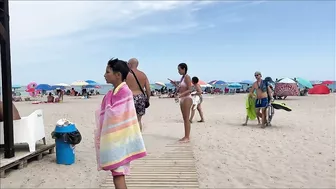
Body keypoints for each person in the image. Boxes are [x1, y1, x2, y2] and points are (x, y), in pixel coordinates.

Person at [95, 58, 146, 189]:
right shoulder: (112, 93)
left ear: (118, 75)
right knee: (117, 174)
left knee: (118, 175)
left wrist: (107, 107)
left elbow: (117, 115)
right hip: (115, 140)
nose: (104, 75)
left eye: (107, 72)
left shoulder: (125, 92)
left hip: (119, 140)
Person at [126, 58, 151, 132]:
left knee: (129, 120)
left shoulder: (126, 74)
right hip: (141, 97)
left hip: (129, 97)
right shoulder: (143, 75)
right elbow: (148, 89)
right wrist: (147, 99)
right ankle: (139, 138)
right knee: (138, 120)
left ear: (130, 64)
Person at [170, 63, 192, 142]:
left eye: (179, 69)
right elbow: (181, 88)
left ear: (184, 69)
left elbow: (190, 89)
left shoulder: (187, 77)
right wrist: (175, 84)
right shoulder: (182, 78)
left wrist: (180, 95)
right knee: (184, 118)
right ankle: (186, 136)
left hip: (187, 98)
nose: (178, 71)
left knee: (186, 118)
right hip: (183, 98)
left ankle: (187, 137)